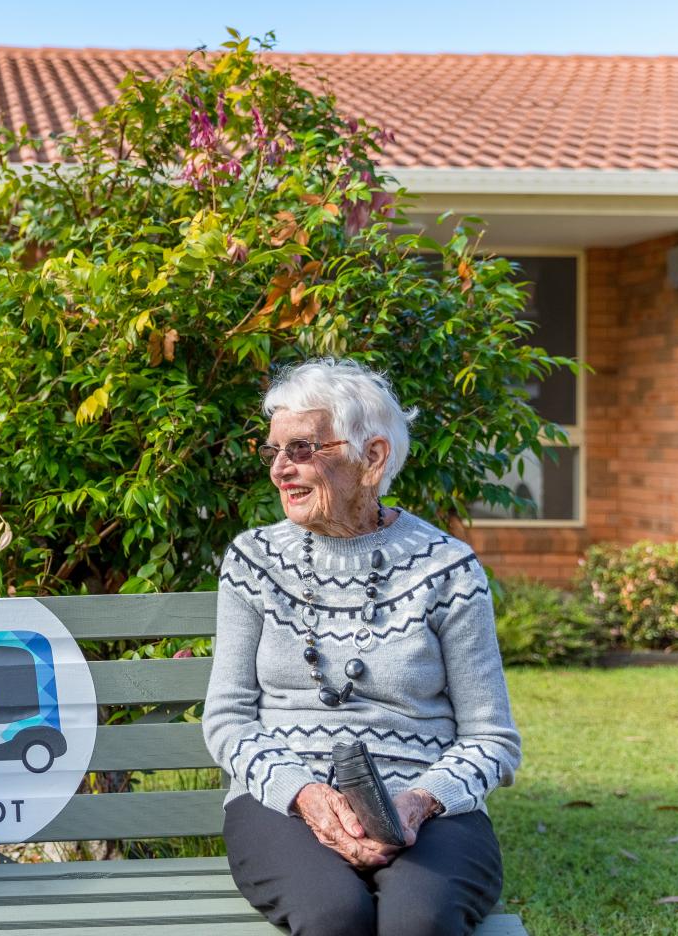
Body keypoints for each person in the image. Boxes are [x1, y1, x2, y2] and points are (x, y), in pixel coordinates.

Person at [204, 358, 520, 936]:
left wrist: (420, 801)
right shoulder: (253, 561)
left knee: (418, 922)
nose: (280, 470)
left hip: (428, 804)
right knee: (334, 917)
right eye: (274, 451)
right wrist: (305, 795)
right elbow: (227, 720)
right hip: (284, 798)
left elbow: (491, 737)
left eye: (301, 449)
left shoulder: (446, 568)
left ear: (371, 458)